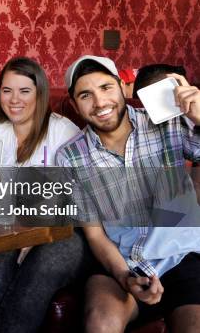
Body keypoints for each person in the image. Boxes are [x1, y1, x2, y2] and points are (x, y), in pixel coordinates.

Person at [56, 55, 200, 332]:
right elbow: (95, 234)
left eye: (106, 88)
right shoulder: (71, 156)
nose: (99, 103)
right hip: (123, 262)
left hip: (182, 256)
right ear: (74, 104)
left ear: (123, 88)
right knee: (101, 323)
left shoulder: (166, 123)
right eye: (86, 95)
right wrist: (125, 276)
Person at [0, 57, 88, 333]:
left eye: (24, 91)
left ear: (40, 93)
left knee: (38, 268)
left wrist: (35, 238)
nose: (14, 100)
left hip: (67, 231)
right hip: (15, 228)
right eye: (7, 91)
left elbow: (79, 197)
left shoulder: (62, 131)